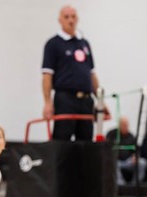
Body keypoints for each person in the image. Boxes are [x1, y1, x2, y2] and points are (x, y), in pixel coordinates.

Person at [42, 5, 101, 141]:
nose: (70, 20)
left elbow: (92, 74)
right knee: (62, 139)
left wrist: (100, 100)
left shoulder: (84, 43)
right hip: (65, 99)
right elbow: (47, 75)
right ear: (60, 20)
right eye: (66, 17)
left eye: (73, 17)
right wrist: (47, 102)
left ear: (77, 19)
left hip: (86, 101)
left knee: (86, 141)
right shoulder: (53, 44)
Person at [106, 117, 147, 185]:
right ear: (119, 125)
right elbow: (107, 148)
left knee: (143, 163)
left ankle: (135, 184)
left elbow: (136, 149)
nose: (126, 127)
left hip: (128, 161)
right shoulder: (111, 134)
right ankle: (121, 185)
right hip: (116, 161)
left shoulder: (131, 136)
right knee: (113, 164)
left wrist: (135, 156)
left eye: (127, 125)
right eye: (124, 125)